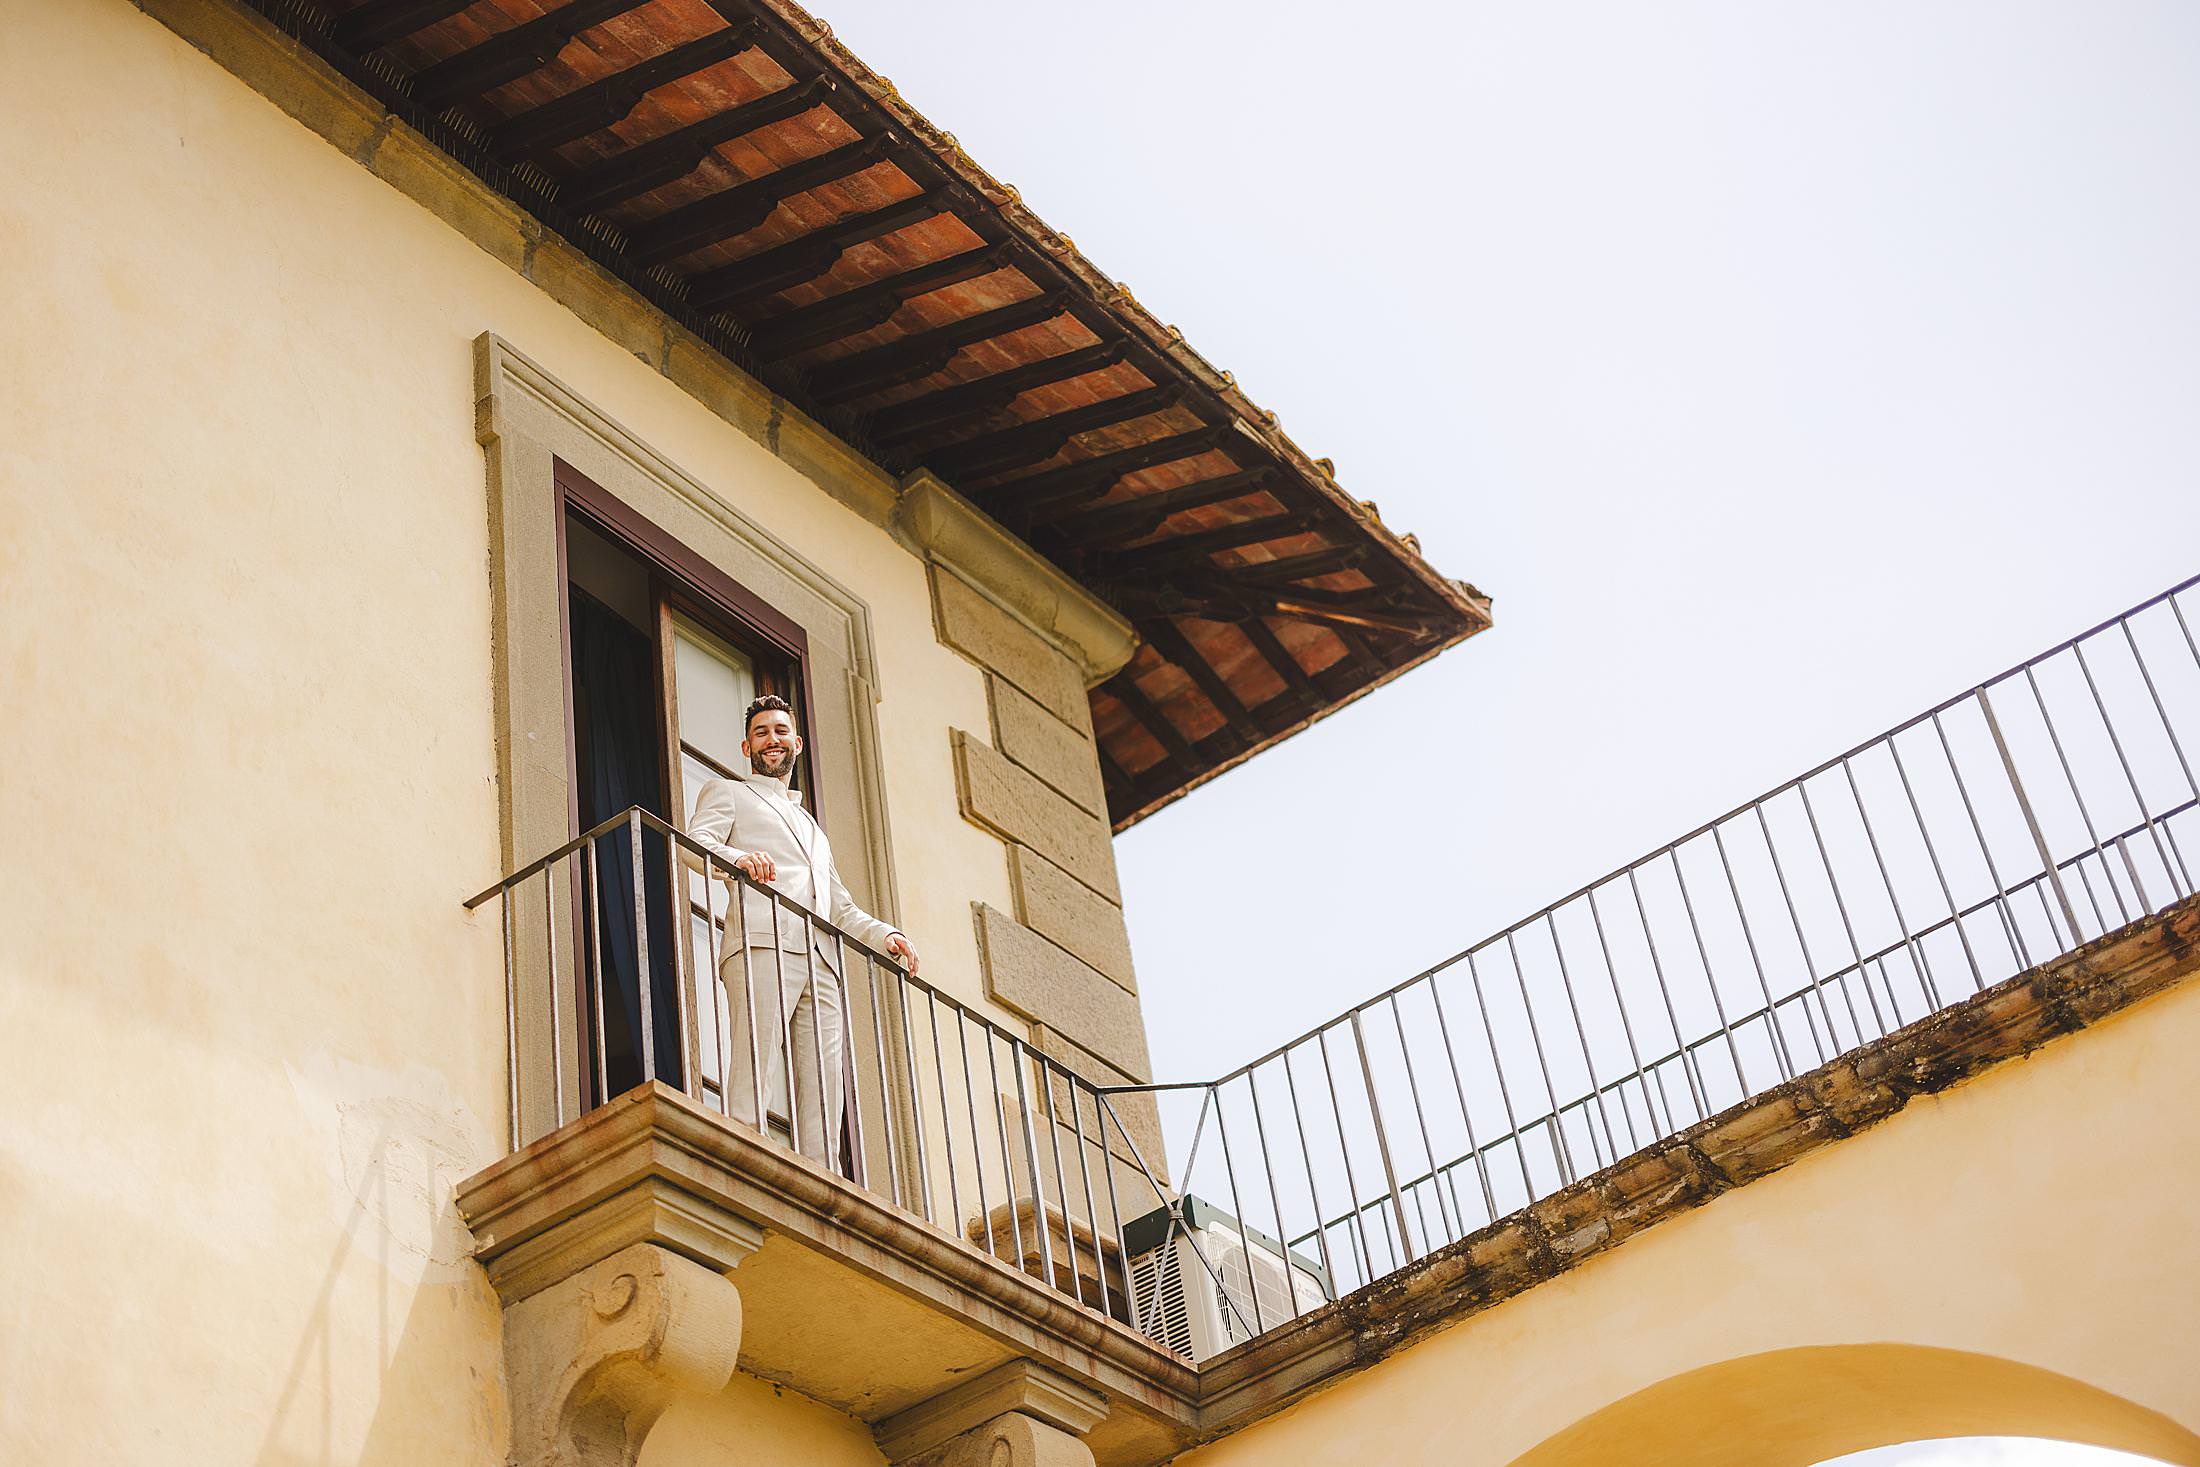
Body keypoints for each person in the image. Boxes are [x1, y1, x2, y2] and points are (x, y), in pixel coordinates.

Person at [687, 695, 919, 1167]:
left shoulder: (812, 827)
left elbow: (840, 905)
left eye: (780, 731)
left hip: (821, 962)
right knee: (756, 1059)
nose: (771, 739)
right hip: (763, 943)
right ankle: (742, 1156)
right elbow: (694, 844)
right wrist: (739, 859)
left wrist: (885, 936)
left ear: (797, 743)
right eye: (760, 733)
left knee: (825, 1082)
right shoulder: (728, 793)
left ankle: (822, 1176)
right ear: (746, 747)